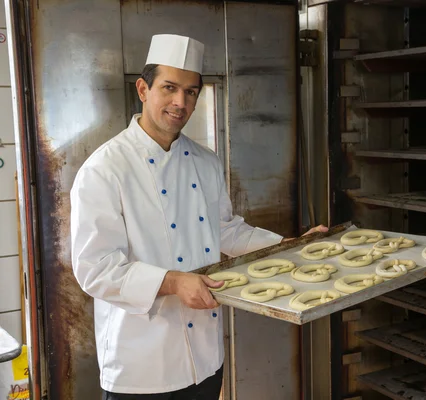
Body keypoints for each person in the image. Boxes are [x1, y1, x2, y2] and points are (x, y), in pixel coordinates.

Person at [70, 34, 327, 400]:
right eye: (169, 88)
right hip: (142, 364)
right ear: (143, 89)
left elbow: (225, 230)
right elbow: (95, 268)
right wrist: (174, 282)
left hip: (205, 359)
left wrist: (289, 248)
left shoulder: (205, 162)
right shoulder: (105, 169)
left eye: (191, 92)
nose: (180, 102)